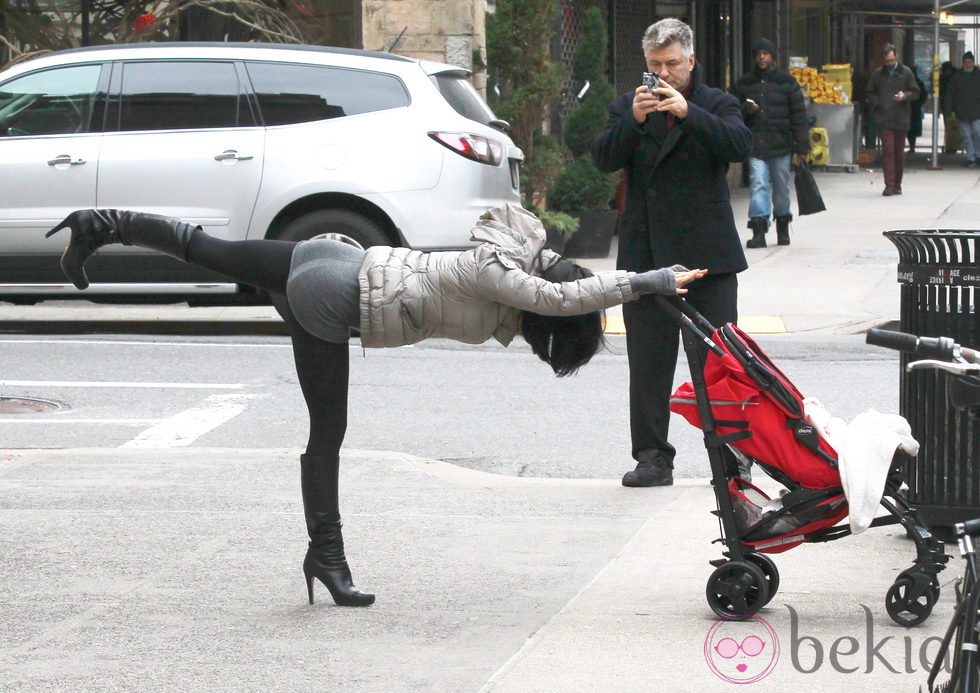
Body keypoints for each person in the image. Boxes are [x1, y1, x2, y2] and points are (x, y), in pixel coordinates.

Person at [45, 203, 704, 605]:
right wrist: (649, 281)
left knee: (212, 251)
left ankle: (99, 223)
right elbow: (564, 300)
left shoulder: (506, 270)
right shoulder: (502, 277)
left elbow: (556, 286)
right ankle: (326, 557)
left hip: (337, 257)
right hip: (337, 296)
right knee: (327, 431)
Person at [591, 17, 751, 488]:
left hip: (708, 257)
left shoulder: (717, 103)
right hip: (647, 256)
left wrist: (688, 113)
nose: (664, 73)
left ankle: (731, 460)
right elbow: (602, 157)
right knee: (647, 362)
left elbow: (740, 145)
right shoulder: (628, 107)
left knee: (720, 364)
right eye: (655, 65)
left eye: (673, 64)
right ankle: (652, 458)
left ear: (690, 60)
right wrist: (633, 121)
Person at [729, 37, 810, 248]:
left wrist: (802, 146)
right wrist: (746, 109)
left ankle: (783, 225)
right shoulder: (744, 83)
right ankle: (758, 230)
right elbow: (731, 110)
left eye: (766, 53)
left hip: (781, 144)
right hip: (755, 144)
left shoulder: (787, 82)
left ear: (772, 56)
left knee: (782, 186)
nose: (762, 57)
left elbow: (798, 115)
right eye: (759, 54)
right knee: (758, 185)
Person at [867, 45, 919, 196]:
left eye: (892, 60)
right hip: (884, 118)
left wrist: (905, 96)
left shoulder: (906, 73)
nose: (889, 63)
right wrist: (877, 103)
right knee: (888, 151)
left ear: (896, 57)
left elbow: (916, 92)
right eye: (887, 61)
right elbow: (870, 92)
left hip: (901, 117)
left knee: (898, 152)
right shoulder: (878, 74)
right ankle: (889, 184)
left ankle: (898, 184)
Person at [948, 51, 980, 167]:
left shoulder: (978, 76)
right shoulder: (957, 76)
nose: (968, 64)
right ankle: (971, 157)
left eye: (969, 62)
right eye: (966, 62)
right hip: (962, 112)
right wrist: (949, 111)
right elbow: (950, 94)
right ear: (963, 63)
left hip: (977, 112)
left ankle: (977, 154)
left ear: (973, 62)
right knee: (966, 136)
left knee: (977, 132)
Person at [906, 65, 928, 154]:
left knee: (910, 129)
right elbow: (924, 95)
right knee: (911, 130)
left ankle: (912, 147)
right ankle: (912, 147)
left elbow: (924, 95)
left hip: (912, 108)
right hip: (912, 108)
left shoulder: (913, 82)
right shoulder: (918, 82)